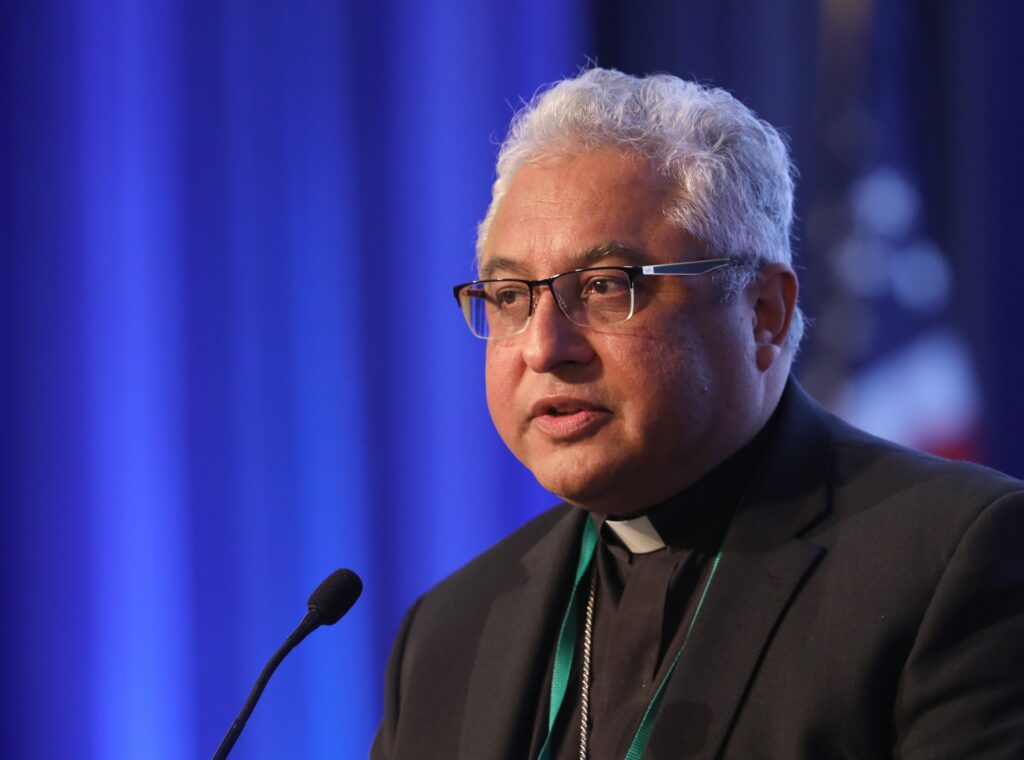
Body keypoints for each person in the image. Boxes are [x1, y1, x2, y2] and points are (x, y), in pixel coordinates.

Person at [370, 68, 1024, 759]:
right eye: (508, 297)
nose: (542, 347)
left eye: (602, 287)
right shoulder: (446, 636)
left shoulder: (953, 562)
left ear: (764, 315)